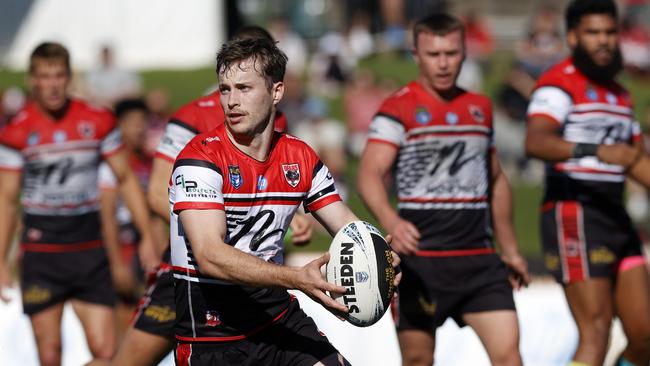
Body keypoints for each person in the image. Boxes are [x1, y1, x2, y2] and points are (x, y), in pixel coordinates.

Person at [170, 36, 400, 366]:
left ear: (277, 91)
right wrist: (296, 278)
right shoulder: (199, 159)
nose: (231, 101)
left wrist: (381, 256)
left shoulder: (299, 156)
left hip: (276, 318)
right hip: (214, 335)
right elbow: (210, 256)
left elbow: (347, 225)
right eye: (225, 89)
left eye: (244, 88)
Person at [109, 26, 312, 366]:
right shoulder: (191, 117)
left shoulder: (275, 118)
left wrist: (296, 215)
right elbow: (160, 193)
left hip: (249, 280)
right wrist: (214, 227)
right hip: (192, 273)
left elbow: (269, 181)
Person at [358, 14, 530, 366]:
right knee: (419, 360)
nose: (443, 63)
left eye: (451, 53)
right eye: (433, 54)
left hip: (478, 262)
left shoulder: (479, 108)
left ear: (465, 53)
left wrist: (510, 249)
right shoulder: (398, 108)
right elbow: (369, 174)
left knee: (510, 357)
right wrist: (391, 219)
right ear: (416, 55)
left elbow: (496, 179)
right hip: (422, 264)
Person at [0, 42, 156, 366]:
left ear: (69, 77)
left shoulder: (97, 120)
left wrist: (148, 238)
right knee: (50, 354)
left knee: (106, 354)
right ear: (33, 80)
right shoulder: (17, 130)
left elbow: (125, 178)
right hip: (42, 256)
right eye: (45, 76)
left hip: (89, 252)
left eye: (59, 75)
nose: (53, 84)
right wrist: (1, 259)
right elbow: (7, 198)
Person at [525, 1, 650, 365]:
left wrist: (623, 157)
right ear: (573, 37)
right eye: (594, 33)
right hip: (574, 215)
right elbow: (536, 141)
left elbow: (633, 158)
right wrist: (595, 150)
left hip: (615, 216)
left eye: (610, 32)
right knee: (594, 332)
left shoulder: (620, 93)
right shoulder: (558, 83)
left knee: (644, 337)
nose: (604, 41)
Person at [98, 99, 164, 338]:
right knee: (122, 329)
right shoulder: (112, 166)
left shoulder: (150, 163)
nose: (138, 129)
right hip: (120, 249)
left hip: (143, 249)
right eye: (131, 123)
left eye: (142, 123)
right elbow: (107, 217)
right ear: (118, 126)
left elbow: (155, 215)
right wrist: (117, 264)